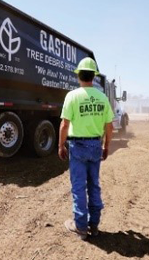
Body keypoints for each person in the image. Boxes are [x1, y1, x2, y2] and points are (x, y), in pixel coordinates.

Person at [58, 57, 114, 239]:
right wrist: (106, 146)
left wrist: (60, 145)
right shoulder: (103, 98)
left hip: (78, 147)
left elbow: (64, 125)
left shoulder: (72, 96)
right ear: (94, 77)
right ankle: (94, 225)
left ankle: (81, 226)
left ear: (79, 75)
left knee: (79, 187)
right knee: (94, 185)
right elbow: (109, 127)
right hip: (95, 145)